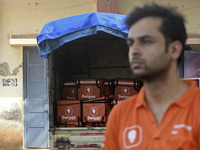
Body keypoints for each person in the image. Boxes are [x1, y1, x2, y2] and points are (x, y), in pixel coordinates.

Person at [101, 3, 200, 150]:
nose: (134, 51)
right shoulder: (120, 114)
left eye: (146, 41)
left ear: (174, 49)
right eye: (131, 43)